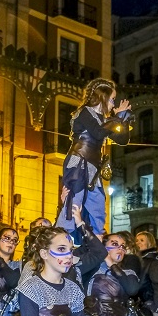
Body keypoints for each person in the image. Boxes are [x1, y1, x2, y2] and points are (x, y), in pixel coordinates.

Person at [57, 78, 132, 235]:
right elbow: (97, 133)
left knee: (98, 207)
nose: (113, 103)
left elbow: (123, 140)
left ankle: (97, 240)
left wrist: (123, 119)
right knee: (74, 203)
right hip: (78, 162)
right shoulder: (84, 112)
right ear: (103, 97)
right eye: (112, 99)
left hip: (93, 168)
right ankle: (60, 239)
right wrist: (116, 118)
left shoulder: (105, 120)